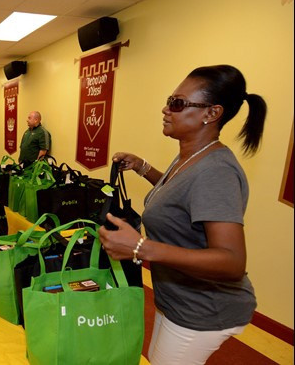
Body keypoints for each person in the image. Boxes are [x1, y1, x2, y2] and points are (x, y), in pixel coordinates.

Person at [98, 65, 266, 364]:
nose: (166, 109)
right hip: (177, 299)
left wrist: (141, 247)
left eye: (177, 103)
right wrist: (142, 167)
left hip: (203, 309)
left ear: (211, 113)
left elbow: (231, 261)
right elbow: (180, 196)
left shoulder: (216, 171)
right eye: (169, 100)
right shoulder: (191, 155)